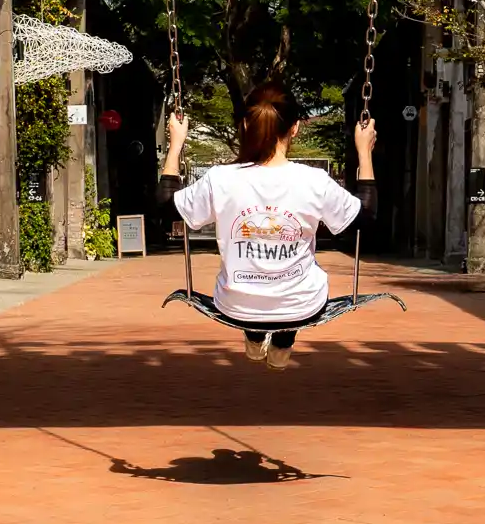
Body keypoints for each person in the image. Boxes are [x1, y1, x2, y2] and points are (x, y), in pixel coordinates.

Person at [158, 82, 377, 369]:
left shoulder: (220, 178)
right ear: (295, 128)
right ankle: (283, 343)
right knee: (294, 297)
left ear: (246, 126)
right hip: (301, 306)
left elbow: (164, 209)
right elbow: (367, 216)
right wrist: (365, 151)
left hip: (237, 306)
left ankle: (254, 334)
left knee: (251, 296)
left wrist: (175, 146)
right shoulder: (314, 181)